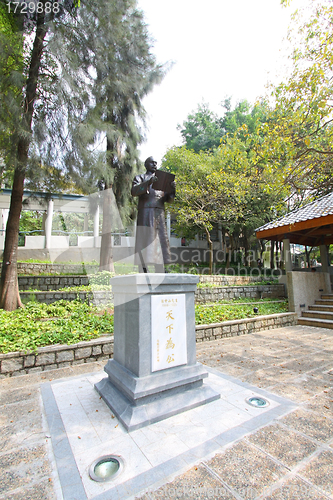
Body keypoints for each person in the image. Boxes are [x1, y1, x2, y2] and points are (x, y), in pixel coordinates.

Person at [131, 157, 175, 273]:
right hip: (146, 212)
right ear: (146, 165)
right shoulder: (140, 178)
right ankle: (143, 268)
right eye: (152, 162)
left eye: (156, 163)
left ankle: (160, 267)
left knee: (161, 239)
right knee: (145, 239)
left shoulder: (162, 180)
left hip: (159, 212)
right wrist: (149, 182)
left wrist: (172, 190)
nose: (155, 164)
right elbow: (134, 191)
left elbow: (168, 200)